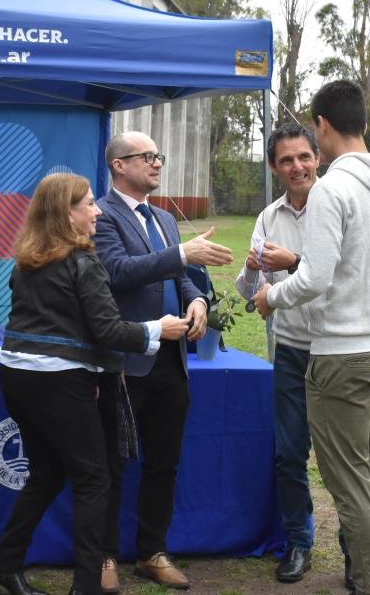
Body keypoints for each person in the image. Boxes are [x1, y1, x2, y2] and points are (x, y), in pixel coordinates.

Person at [252, 80, 370, 595]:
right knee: (366, 475)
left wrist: (270, 300)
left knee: (350, 488)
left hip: (342, 355)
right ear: (365, 124)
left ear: (322, 126)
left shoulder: (333, 189)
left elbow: (315, 278)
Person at [0, 173, 188, 595]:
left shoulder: (28, 260)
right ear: (66, 212)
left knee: (45, 476)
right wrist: (157, 329)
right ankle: (86, 585)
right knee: (95, 479)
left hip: (17, 379)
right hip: (58, 384)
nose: (97, 211)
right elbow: (107, 331)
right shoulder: (83, 261)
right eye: (89, 204)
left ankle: (3, 571)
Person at [94, 131, 234, 592]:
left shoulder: (164, 218)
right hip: (125, 359)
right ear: (119, 165)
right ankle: (105, 556)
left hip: (172, 361)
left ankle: (153, 552)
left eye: (159, 156)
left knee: (164, 462)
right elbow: (116, 272)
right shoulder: (101, 215)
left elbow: (183, 276)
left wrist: (197, 302)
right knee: (111, 464)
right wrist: (180, 255)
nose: (157, 163)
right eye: (147, 157)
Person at [233, 122, 329, 584]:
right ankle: (299, 542)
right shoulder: (269, 216)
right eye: (286, 160)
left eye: (304, 157)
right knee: (289, 453)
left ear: (318, 157)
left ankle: (356, 547)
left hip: (337, 347)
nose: (297, 167)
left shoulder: (338, 206)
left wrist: (291, 264)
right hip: (289, 348)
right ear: (275, 167)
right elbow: (252, 293)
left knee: (342, 457)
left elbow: (338, 273)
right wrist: (253, 270)